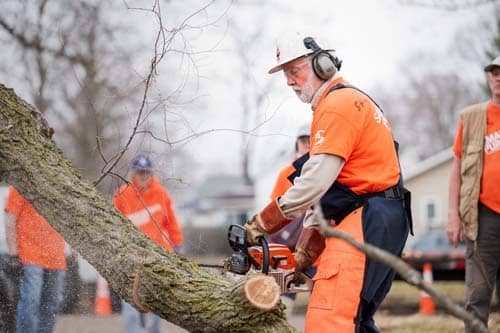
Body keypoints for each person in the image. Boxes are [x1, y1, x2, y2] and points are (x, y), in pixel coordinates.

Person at [244, 32, 411, 332]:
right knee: (356, 319)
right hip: (377, 215)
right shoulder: (349, 100)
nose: (289, 82)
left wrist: (261, 224)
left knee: (328, 319)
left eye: (294, 71)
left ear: (322, 65)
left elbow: (314, 183)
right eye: (286, 74)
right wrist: (304, 254)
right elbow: (332, 193)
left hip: (367, 218)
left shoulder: (337, 105)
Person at [447, 55, 500, 333]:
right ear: (489, 79)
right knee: (478, 295)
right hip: (483, 217)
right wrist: (453, 217)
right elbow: (456, 171)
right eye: (494, 72)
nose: (498, 77)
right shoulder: (472, 118)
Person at [113, 154, 184, 333]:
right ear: (133, 174)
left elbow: (172, 222)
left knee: (157, 301)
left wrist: (178, 245)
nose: (144, 176)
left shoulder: (161, 194)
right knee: (130, 300)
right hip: (131, 256)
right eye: (140, 172)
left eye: (147, 172)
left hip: (158, 255)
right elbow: (113, 223)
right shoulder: (122, 194)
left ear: (151, 173)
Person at [4, 186, 67, 333]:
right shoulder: (22, 184)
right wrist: (13, 252)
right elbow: (10, 219)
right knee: (31, 302)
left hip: (56, 256)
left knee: (51, 304)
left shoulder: (60, 187)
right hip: (30, 255)